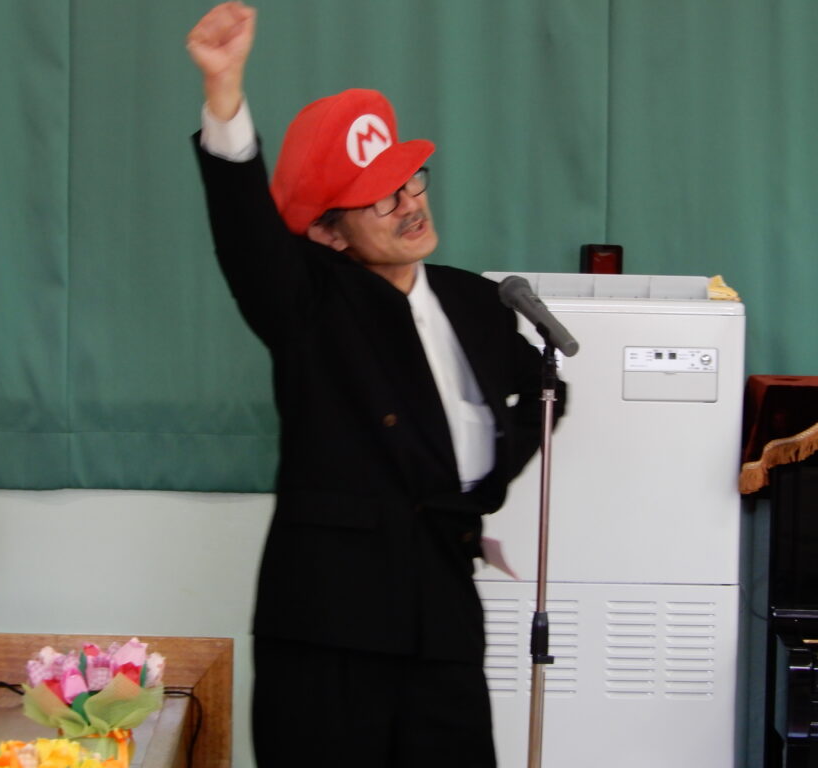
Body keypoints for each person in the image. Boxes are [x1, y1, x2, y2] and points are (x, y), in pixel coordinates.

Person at [186, 4, 563, 766]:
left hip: (443, 618)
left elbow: (546, 388)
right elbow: (248, 237)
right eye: (381, 198)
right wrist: (224, 94)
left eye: (410, 180)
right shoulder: (312, 305)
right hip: (331, 628)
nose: (411, 204)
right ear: (329, 232)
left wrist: (484, 484)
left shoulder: (476, 302)